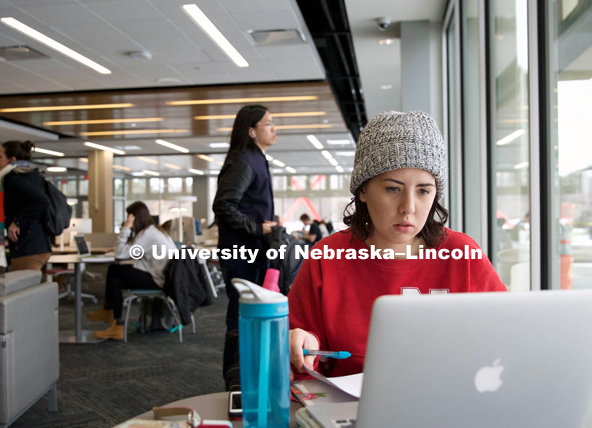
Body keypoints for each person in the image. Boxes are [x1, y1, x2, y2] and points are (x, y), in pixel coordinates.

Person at [288, 111, 506, 378]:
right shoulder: (326, 258)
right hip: (350, 412)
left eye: (424, 191)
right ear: (363, 190)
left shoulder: (463, 255)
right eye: (393, 188)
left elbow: (505, 338)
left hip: (450, 404)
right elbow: (299, 358)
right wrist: (301, 343)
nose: (409, 208)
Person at [212, 105, 278, 381]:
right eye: (269, 123)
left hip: (253, 252)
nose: (275, 128)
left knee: (251, 316)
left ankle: (249, 376)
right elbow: (223, 206)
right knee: (240, 319)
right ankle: (236, 381)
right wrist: (257, 227)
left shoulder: (256, 158)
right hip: (243, 254)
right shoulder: (244, 161)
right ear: (252, 131)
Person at [86, 201, 177, 340]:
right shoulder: (155, 231)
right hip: (162, 277)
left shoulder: (148, 233)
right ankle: (111, 315)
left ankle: (113, 317)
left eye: (129, 218)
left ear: (135, 218)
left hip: (158, 281)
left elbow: (120, 254)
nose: (128, 221)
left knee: (114, 272)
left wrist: (126, 228)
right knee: (116, 272)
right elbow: (132, 251)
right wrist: (122, 249)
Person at [0, 140, 52, 272]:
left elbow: (42, 200)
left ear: (12, 159)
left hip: (29, 246)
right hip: (37, 244)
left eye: (0, 156)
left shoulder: (14, 179)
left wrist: (16, 222)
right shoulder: (30, 176)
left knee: (21, 289)